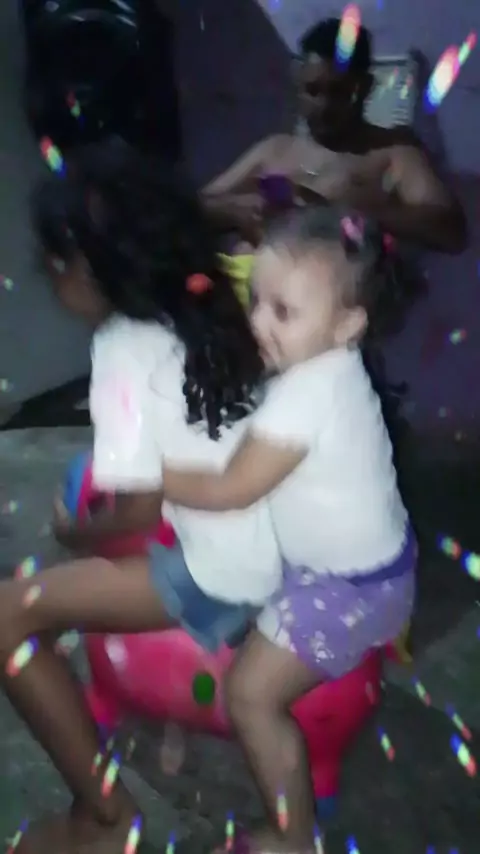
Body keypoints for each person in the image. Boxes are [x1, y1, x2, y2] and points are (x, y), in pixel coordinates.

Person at [0, 139, 281, 853]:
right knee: (54, 597)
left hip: (222, 571)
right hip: (269, 538)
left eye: (53, 260)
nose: (46, 274)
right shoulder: (210, 304)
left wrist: (72, 532)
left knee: (6, 618)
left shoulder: (124, 347)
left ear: (88, 269)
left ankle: (105, 816)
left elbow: (137, 509)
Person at [160, 205, 417, 854]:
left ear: (349, 323)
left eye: (283, 311)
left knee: (248, 695)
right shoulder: (330, 367)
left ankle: (293, 839)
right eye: (256, 301)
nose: (258, 323)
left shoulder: (308, 395)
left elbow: (232, 489)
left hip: (349, 590)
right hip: (369, 566)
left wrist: (157, 477)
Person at [203, 17, 467, 257]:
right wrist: (238, 210)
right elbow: (195, 207)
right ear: (299, 85)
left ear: (365, 88)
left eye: (339, 93)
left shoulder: (393, 152)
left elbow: (450, 230)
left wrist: (341, 213)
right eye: (312, 91)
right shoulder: (275, 150)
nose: (323, 106)